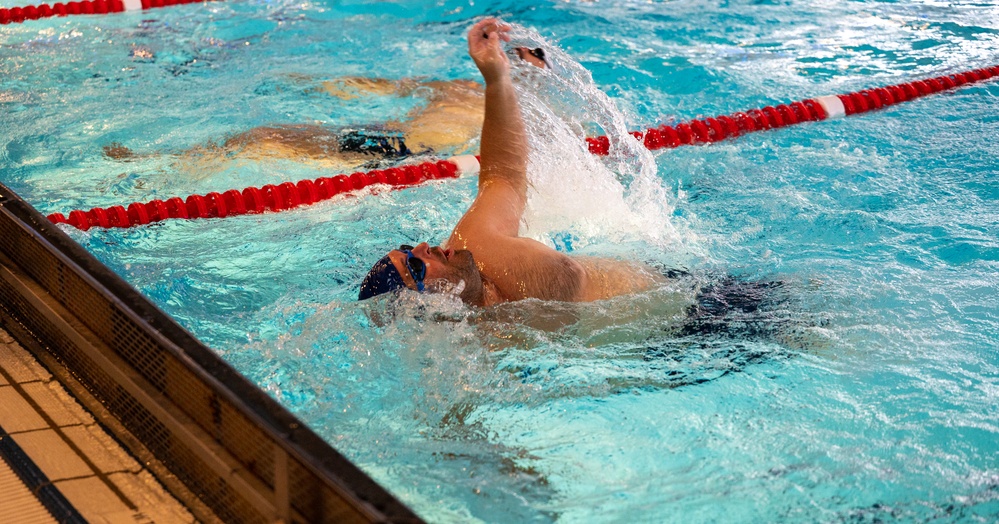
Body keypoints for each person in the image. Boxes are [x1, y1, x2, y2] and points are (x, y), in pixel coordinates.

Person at [358, 19, 667, 305]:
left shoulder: (474, 244)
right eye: (414, 264)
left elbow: (503, 175)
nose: (423, 246)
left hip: (683, 295)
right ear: (421, 304)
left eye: (406, 249)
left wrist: (496, 79)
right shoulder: (486, 347)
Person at [104, 48, 550, 169]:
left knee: (263, 138)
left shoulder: (538, 114)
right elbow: (375, 85)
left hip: (410, 153)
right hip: (391, 138)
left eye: (531, 54)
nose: (519, 57)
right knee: (263, 136)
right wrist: (301, 81)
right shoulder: (453, 86)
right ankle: (161, 164)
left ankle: (154, 165)